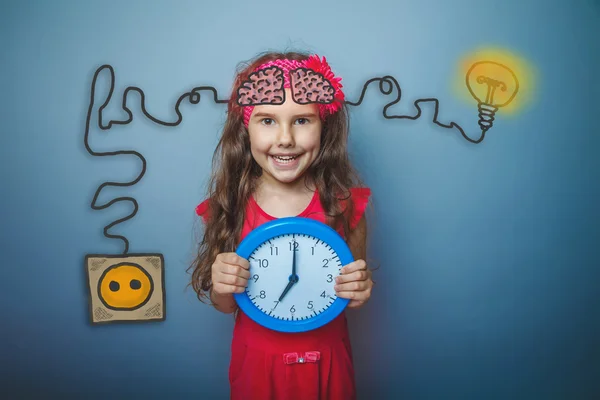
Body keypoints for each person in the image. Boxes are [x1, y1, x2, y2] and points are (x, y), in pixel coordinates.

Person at [189, 50, 374, 400]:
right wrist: (222, 282)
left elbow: (354, 291)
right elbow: (225, 304)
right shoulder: (226, 208)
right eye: (268, 120)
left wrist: (360, 288)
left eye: (302, 120)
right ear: (246, 128)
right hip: (259, 368)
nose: (285, 138)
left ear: (325, 126)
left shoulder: (346, 206)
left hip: (328, 364)